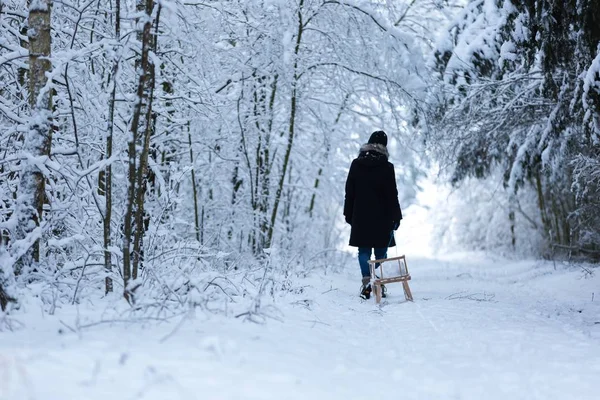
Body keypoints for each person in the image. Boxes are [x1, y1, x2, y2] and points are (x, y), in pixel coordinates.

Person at [343, 131, 402, 299]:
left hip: (360, 215)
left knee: (364, 251)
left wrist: (348, 214)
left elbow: (350, 192)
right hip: (383, 216)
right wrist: (396, 217)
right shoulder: (387, 167)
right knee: (381, 253)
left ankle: (367, 282)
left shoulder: (356, 164)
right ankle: (379, 284)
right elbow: (392, 194)